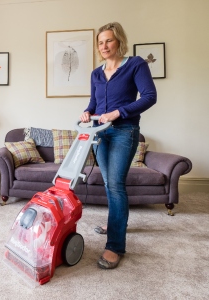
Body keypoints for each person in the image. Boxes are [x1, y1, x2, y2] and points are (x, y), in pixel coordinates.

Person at [80, 22, 157, 269]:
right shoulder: (95, 73)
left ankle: (115, 246)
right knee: (108, 183)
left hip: (125, 131)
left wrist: (118, 113)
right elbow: (93, 103)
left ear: (119, 41)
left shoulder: (135, 64)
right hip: (99, 133)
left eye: (109, 41)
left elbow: (149, 97)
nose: (104, 46)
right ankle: (116, 222)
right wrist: (86, 112)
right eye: (100, 42)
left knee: (115, 184)